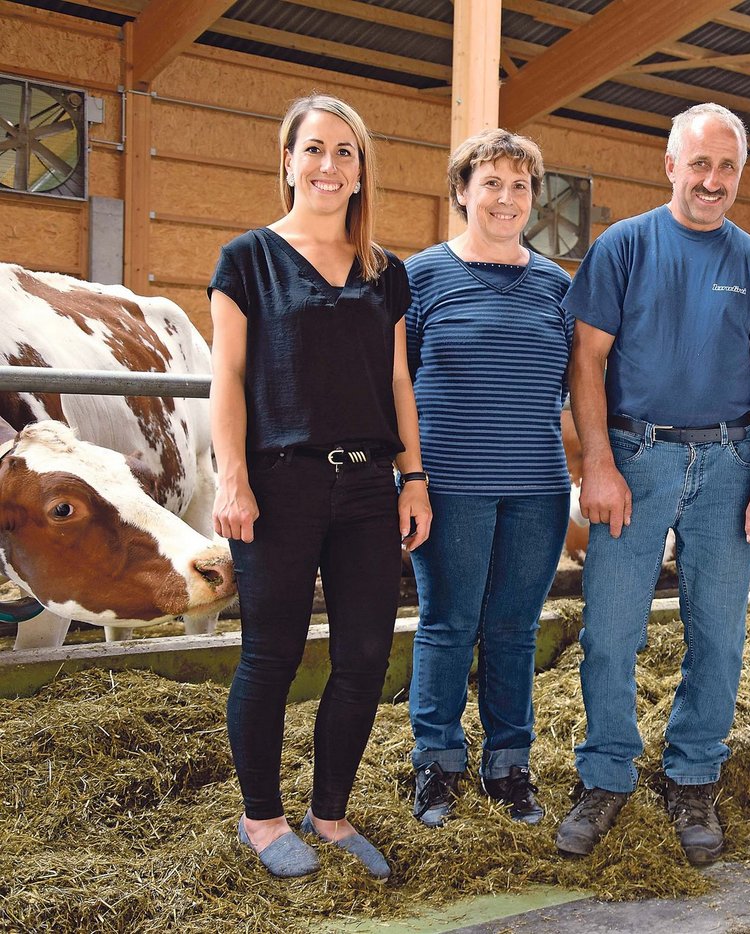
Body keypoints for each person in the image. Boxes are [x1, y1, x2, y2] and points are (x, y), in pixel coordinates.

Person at [554, 102, 750, 866]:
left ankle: (693, 776)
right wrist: (596, 463)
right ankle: (605, 775)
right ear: (671, 166)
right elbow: (586, 361)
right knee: (611, 632)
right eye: (699, 163)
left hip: (728, 465)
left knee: (720, 638)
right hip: (637, 457)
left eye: (727, 167)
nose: (713, 180)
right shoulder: (624, 247)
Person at [209, 94, 432, 881]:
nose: (329, 166)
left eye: (345, 152)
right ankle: (262, 819)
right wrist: (231, 479)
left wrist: (414, 478)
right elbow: (228, 381)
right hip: (279, 483)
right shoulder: (248, 260)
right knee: (270, 654)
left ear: (362, 169)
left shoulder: (386, 272)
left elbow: (400, 382)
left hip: (370, 485)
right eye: (314, 149)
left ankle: (328, 813)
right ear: (287, 160)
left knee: (366, 653)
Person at [403, 128, 572, 828]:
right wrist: (410, 477)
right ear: (463, 192)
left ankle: (509, 765)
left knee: (513, 628)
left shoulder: (558, 284)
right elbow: (395, 383)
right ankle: (436, 765)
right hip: (449, 482)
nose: (506, 198)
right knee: (447, 624)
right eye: (492, 183)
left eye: (521, 185)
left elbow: (572, 384)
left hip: (537, 485)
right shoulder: (422, 276)